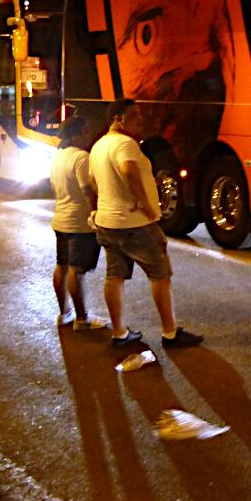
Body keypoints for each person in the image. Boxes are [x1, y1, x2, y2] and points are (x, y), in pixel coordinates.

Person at [89, 98, 203, 349]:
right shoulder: (125, 144)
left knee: (114, 277)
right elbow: (128, 170)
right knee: (159, 276)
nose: (141, 120)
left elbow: (93, 182)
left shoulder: (98, 146)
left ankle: (119, 332)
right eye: (135, 115)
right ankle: (170, 333)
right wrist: (146, 204)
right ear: (118, 119)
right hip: (135, 224)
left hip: (108, 223)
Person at [50, 116, 107, 331]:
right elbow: (87, 190)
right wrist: (95, 213)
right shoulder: (81, 157)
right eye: (85, 131)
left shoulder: (58, 156)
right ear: (75, 135)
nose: (88, 135)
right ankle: (82, 319)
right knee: (77, 270)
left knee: (61, 266)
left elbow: (54, 188)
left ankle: (64, 313)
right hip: (79, 223)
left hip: (60, 219)